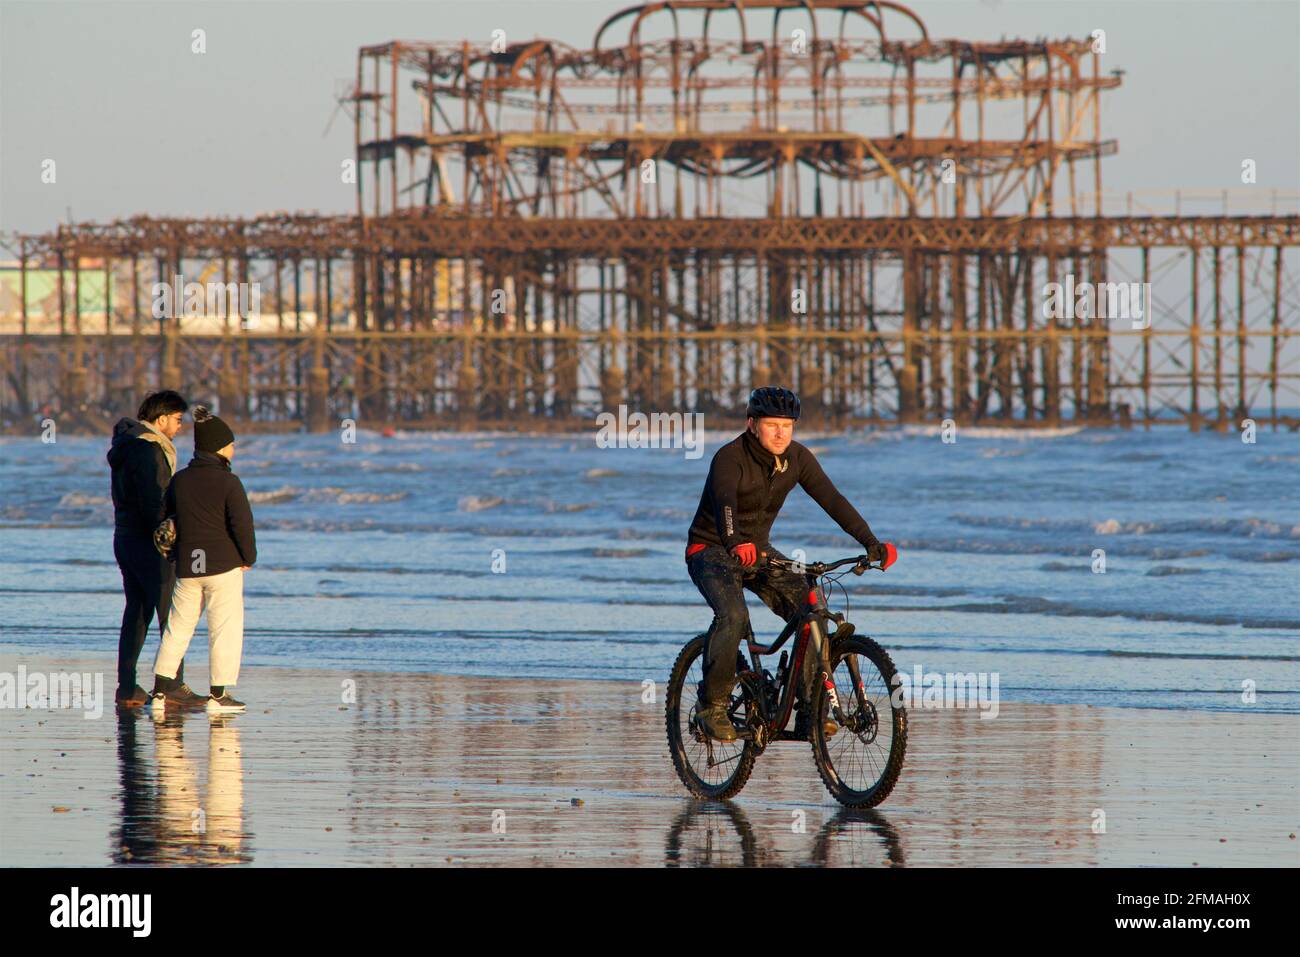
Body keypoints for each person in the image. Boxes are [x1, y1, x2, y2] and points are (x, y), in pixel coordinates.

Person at [685, 386, 896, 742]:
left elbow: (832, 499)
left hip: (761, 552)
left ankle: (808, 711)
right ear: (752, 424)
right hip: (710, 550)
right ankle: (712, 707)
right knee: (733, 618)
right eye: (772, 425)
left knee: (812, 610)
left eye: (788, 425)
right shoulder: (729, 457)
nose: (781, 432)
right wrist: (736, 541)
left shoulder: (797, 458)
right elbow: (725, 504)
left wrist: (871, 543)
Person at [150, 407, 257, 714]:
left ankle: (159, 694)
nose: (234, 449)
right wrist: (248, 557)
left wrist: (174, 553)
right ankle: (219, 696)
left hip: (188, 567)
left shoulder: (180, 480)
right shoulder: (229, 483)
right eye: (231, 444)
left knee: (177, 628)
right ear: (220, 448)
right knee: (223, 629)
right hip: (223, 567)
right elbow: (242, 525)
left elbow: (164, 519)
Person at [107, 391, 205, 709]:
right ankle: (171, 685)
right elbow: (154, 502)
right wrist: (172, 534)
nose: (180, 427)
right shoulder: (149, 450)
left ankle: (127, 687)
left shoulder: (125, 446)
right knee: (171, 613)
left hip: (124, 538)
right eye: (178, 420)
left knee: (136, 611)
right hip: (148, 542)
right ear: (161, 419)